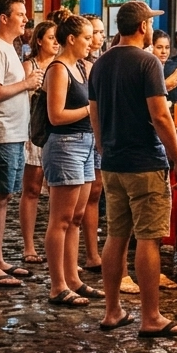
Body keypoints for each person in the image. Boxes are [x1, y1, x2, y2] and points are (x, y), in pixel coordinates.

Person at [89, 0, 177, 336]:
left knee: (116, 235)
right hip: (145, 161)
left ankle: (112, 311)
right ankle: (151, 317)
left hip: (113, 162)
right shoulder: (148, 63)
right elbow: (160, 115)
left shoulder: (101, 63)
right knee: (148, 238)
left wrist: (103, 146)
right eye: (150, 23)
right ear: (143, 26)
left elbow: (94, 112)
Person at [0, 0, 44, 287]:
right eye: (20, 13)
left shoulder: (8, 47)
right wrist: (26, 84)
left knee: (4, 197)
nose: (26, 18)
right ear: (4, 18)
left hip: (13, 132)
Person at [43, 14, 102, 305]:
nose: (91, 43)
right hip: (65, 145)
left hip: (86, 144)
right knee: (61, 219)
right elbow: (56, 115)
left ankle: (73, 279)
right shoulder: (59, 69)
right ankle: (57, 285)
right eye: (87, 37)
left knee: (77, 217)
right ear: (71, 39)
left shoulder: (81, 67)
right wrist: (89, 110)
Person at [19, 20, 60, 264]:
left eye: (57, 38)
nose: (55, 42)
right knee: (32, 189)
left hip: (57, 133)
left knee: (58, 191)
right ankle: (29, 246)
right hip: (35, 131)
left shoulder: (61, 65)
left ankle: (56, 247)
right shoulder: (30, 65)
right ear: (39, 41)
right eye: (51, 37)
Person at [81, 14, 106, 274]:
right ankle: (86, 253)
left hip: (97, 132)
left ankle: (93, 252)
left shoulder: (100, 61)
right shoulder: (76, 65)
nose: (97, 38)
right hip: (79, 135)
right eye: (92, 34)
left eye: (99, 33)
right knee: (82, 196)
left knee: (96, 192)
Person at [152, 30, 177, 103]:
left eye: (167, 47)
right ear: (151, 47)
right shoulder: (147, 69)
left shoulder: (173, 68)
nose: (164, 51)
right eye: (159, 47)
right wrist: (167, 84)